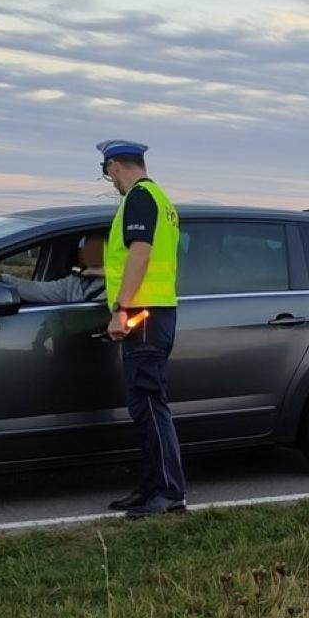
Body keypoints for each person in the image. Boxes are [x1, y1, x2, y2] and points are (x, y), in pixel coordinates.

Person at [97, 139, 186, 518]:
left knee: (149, 403)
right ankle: (152, 488)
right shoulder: (161, 200)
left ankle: (168, 493)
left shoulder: (139, 198)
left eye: (107, 172)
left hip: (143, 315)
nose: (109, 180)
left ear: (115, 166)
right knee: (143, 404)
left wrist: (121, 308)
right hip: (155, 311)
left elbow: (141, 252)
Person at [0, 235, 106, 305]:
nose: (90, 253)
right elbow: (38, 290)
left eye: (97, 248)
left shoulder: (118, 284)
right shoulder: (75, 281)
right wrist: (3, 280)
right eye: (85, 249)